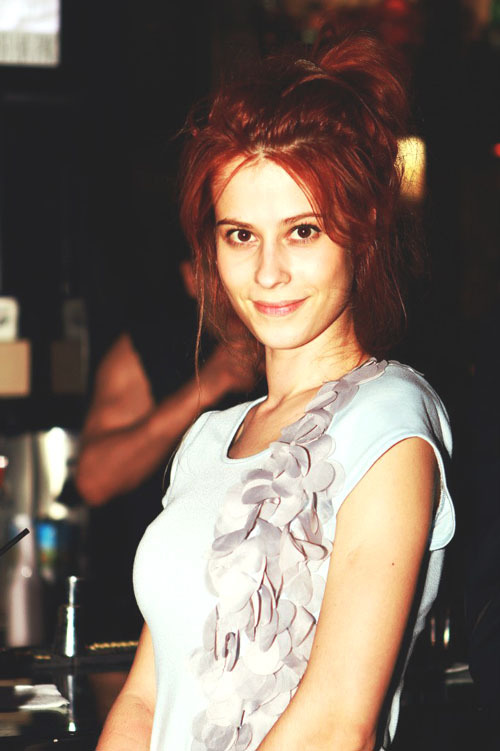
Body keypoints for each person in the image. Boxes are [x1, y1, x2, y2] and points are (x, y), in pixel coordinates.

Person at [97, 29, 455, 751]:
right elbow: (144, 697)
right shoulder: (206, 439)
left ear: (362, 231)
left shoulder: (389, 420)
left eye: (302, 231)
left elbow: (337, 725)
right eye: (240, 234)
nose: (267, 272)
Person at [76, 260, 257, 640]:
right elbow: (94, 480)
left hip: (262, 610)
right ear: (192, 277)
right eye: (218, 265)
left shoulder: (309, 353)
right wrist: (208, 384)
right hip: (137, 617)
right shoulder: (150, 346)